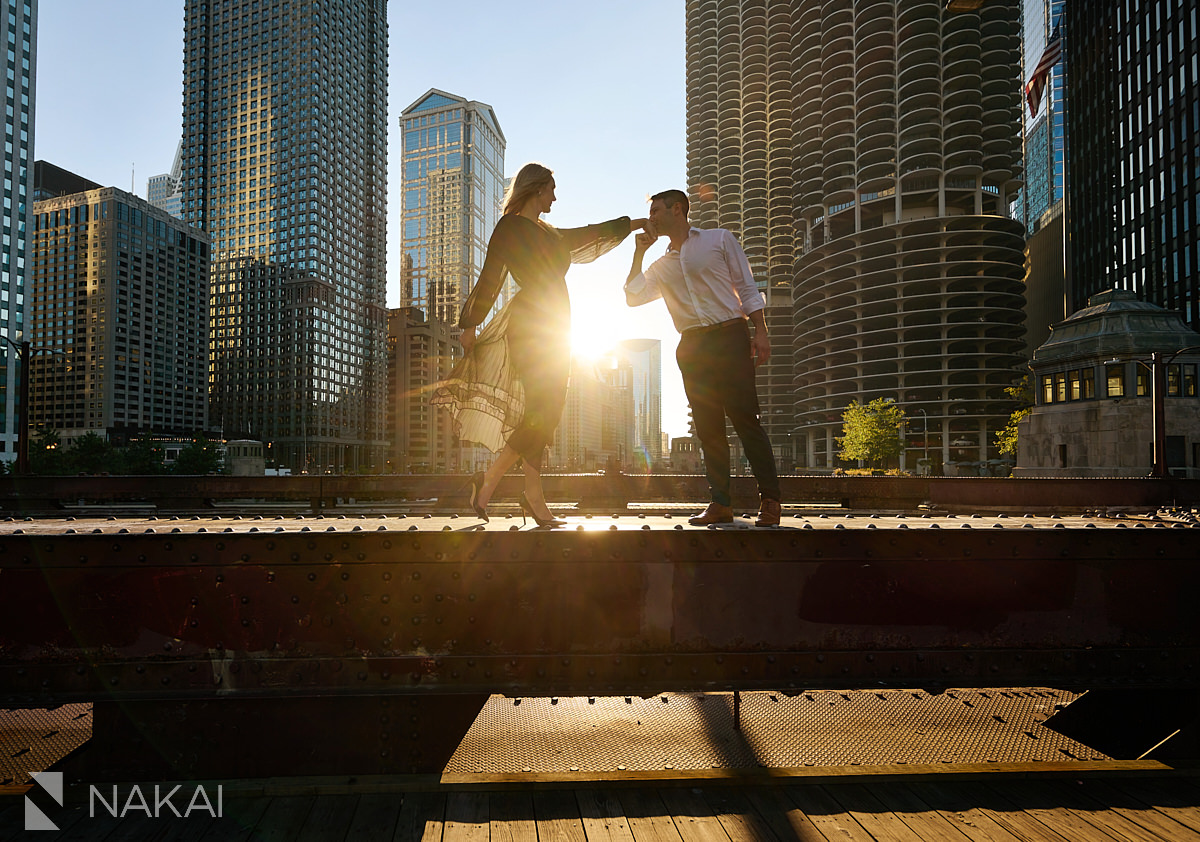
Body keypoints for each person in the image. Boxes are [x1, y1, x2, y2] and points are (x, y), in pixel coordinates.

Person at [433, 163, 647, 526]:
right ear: (535, 189)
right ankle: (499, 485)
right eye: (551, 189)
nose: (555, 196)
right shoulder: (510, 228)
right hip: (532, 325)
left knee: (545, 411)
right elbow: (491, 278)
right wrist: (468, 324)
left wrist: (633, 224)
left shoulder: (547, 231)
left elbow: (589, 233)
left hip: (556, 327)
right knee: (542, 410)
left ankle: (523, 494)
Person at [625, 189, 781, 527]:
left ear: (677, 210)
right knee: (708, 430)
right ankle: (720, 503)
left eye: (656, 211)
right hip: (692, 347)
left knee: (745, 420)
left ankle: (769, 501)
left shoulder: (718, 240)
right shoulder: (661, 265)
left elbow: (747, 286)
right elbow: (633, 297)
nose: (651, 218)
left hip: (730, 337)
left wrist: (761, 331)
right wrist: (639, 253)